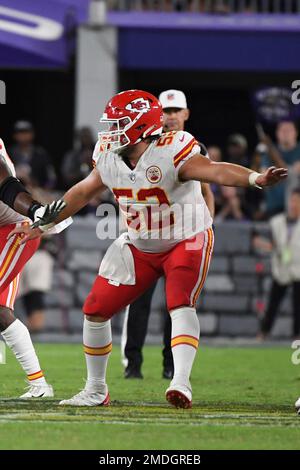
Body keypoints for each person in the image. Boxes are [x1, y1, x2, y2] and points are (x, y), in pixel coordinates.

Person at [10, 89, 287, 409]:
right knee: (95, 309)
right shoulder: (108, 155)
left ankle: (181, 382)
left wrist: (255, 178)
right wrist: (43, 223)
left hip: (186, 236)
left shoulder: (173, 149)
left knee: (180, 303)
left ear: (140, 126)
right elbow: (82, 192)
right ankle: (96, 389)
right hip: (140, 243)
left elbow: (216, 170)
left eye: (119, 123)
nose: (110, 131)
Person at [121, 89, 214, 380]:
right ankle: (132, 363)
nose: (171, 116)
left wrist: (206, 228)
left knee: (177, 303)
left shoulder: (193, 147)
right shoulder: (147, 146)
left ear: (186, 114)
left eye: (176, 111)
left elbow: (207, 189)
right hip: (148, 235)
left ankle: (170, 365)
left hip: (182, 237)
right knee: (138, 301)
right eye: (166, 111)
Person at [0, 138, 54, 398]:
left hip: (14, 229)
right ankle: (39, 385)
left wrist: (36, 211)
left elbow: (9, 188)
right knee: (1, 312)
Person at [254, 189, 300, 340]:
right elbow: (274, 245)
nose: (294, 204)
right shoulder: (277, 222)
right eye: (292, 200)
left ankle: (297, 336)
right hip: (281, 268)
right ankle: (264, 333)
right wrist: (261, 244)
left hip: (298, 269)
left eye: (297, 201)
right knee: (273, 304)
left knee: (298, 306)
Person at [259, 121, 300, 217]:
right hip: (273, 207)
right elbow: (263, 176)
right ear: (277, 133)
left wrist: (270, 147)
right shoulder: (267, 153)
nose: (285, 133)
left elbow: (289, 173)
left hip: (296, 211)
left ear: (296, 132)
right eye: (282, 130)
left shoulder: (270, 150)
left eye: (288, 130)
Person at [9, 121, 56, 190]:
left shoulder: (41, 154)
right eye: (20, 133)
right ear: (15, 135)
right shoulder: (9, 153)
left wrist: (45, 190)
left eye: (26, 132)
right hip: (12, 192)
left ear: (32, 134)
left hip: (36, 192)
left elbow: (51, 178)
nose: (23, 136)